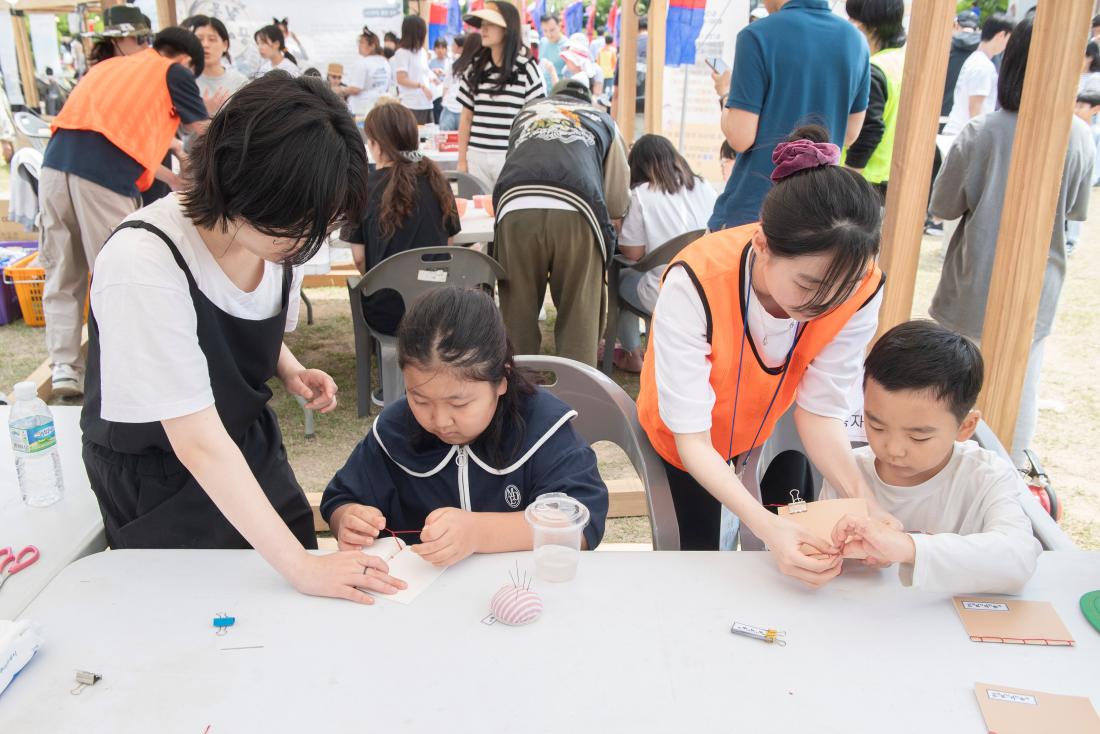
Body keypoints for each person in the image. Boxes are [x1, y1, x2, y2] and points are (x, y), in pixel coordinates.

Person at [79, 72, 400, 605]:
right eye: (294, 226)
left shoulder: (281, 242)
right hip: (163, 472)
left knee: (289, 602)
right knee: (206, 615)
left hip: (244, 441)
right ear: (239, 185)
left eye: (316, 227)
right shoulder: (144, 260)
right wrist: (302, 567)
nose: (305, 243)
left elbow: (235, 320)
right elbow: (197, 442)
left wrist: (289, 366)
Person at [636, 125, 895, 581]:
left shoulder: (863, 285)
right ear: (762, 245)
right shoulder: (695, 282)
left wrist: (862, 495)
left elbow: (821, 410)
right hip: (685, 442)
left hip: (759, 426)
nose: (824, 306)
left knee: (777, 556)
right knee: (698, 564)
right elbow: (692, 441)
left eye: (843, 290)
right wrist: (767, 526)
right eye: (809, 285)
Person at [321, 286, 609, 564]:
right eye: (419, 399)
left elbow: (583, 521)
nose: (440, 420)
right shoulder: (394, 430)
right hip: (421, 598)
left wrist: (478, 532)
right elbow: (341, 498)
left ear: (501, 380)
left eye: (459, 404)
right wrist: (348, 518)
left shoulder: (542, 428)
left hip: (523, 592)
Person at [929, 17, 1094, 470]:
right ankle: (1010, 478)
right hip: (1038, 291)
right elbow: (1076, 211)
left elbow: (942, 206)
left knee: (953, 390)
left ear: (1013, 61)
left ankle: (949, 473)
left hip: (970, 288)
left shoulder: (982, 132)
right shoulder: (1078, 135)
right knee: (1021, 390)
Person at [39, 20, 208, 398]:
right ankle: (122, 370)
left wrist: (173, 177)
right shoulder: (173, 71)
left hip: (54, 166)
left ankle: (64, 366)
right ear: (184, 59)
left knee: (63, 271)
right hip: (103, 178)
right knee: (117, 276)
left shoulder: (111, 67)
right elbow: (205, 130)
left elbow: (120, 138)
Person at [821, 321, 1041, 594]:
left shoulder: (985, 476)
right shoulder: (848, 471)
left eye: (918, 437)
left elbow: (1018, 559)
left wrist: (908, 548)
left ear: (966, 427)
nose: (894, 449)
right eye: (876, 426)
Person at [493, 79, 628, 366]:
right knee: (580, 315)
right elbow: (616, 199)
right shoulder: (602, 120)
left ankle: (516, 391)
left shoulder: (527, 113)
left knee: (516, 313)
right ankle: (577, 397)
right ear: (586, 101)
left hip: (516, 205)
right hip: (579, 209)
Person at [708, 0, 870, 231]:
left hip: (755, 208)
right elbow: (850, 134)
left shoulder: (757, 35)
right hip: (819, 211)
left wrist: (726, 93)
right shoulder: (855, 41)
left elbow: (740, 137)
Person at [343, 102, 460, 337]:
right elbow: (448, 246)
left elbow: (358, 259)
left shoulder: (363, 188)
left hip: (386, 312)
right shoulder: (438, 183)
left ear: (376, 145)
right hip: (435, 309)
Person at [612, 134, 717, 373]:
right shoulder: (704, 186)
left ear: (636, 165)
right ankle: (650, 351)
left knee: (620, 278)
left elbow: (633, 252)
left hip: (663, 292)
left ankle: (632, 354)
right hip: (707, 290)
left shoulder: (641, 193)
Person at [458, 2, 546, 187]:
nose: (483, 29)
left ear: (506, 29)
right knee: (478, 213)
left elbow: (537, 120)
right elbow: (466, 117)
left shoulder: (526, 68)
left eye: (490, 24)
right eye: (482, 24)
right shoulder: (475, 67)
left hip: (511, 155)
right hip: (476, 154)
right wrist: (462, 160)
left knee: (509, 213)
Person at [842, 0, 905, 198]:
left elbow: (870, 129)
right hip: (890, 173)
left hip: (864, 178)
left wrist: (847, 181)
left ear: (868, 26)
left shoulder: (874, 69)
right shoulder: (902, 61)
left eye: (854, 20)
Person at [940, 13, 1013, 138]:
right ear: (1001, 35)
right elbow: (975, 110)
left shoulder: (975, 59)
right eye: (1009, 39)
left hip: (957, 134)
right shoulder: (983, 66)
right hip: (964, 137)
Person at [182, 15, 248, 113]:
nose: (205, 45)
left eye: (212, 39)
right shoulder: (184, 81)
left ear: (225, 45)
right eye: (199, 39)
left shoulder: (240, 82)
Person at [390, 16, 435, 124]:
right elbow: (401, 79)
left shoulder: (422, 52)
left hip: (426, 102)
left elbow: (423, 72)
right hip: (411, 104)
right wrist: (421, 86)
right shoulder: (402, 53)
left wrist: (433, 76)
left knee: (427, 138)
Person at [340, 28, 393, 117]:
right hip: (378, 109)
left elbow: (356, 89)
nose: (359, 45)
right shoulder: (385, 62)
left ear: (372, 46)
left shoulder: (363, 63)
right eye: (359, 42)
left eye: (362, 42)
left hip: (361, 110)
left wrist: (340, 89)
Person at [941, 13, 980, 119]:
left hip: (941, 112)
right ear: (977, 29)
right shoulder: (984, 50)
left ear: (956, 25)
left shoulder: (946, 45)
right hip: (968, 119)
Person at [439, 34, 475, 131]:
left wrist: (444, 100)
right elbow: (446, 85)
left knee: (446, 140)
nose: (452, 46)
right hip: (456, 107)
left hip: (455, 108)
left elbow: (446, 85)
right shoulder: (457, 63)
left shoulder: (459, 64)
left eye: (454, 44)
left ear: (461, 47)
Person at [538, 13, 566, 89]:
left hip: (559, 91)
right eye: (545, 31)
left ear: (559, 26)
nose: (549, 34)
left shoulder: (566, 45)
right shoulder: (543, 42)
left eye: (552, 30)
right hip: (542, 90)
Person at [429, 38, 449, 123]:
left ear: (446, 49)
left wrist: (443, 74)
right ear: (434, 49)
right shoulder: (430, 63)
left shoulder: (449, 62)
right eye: (438, 48)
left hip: (446, 95)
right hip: (435, 95)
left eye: (442, 48)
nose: (440, 50)